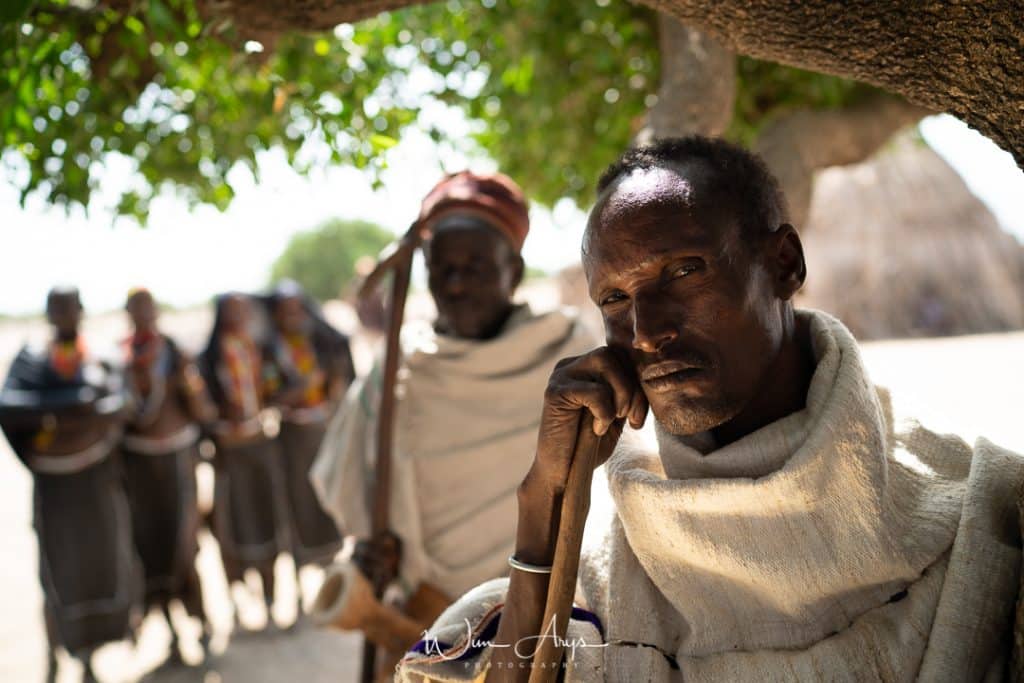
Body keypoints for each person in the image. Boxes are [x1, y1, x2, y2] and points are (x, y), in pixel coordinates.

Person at [397, 137, 1024, 682]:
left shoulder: (984, 519)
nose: (644, 331)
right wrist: (544, 503)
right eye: (613, 298)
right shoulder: (611, 565)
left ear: (784, 264)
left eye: (684, 271)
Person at [310, 171, 597, 660]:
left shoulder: (569, 353)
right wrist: (364, 550)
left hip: (548, 623)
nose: (457, 284)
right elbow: (344, 481)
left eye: (477, 266)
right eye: (442, 269)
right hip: (424, 619)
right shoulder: (396, 369)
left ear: (515, 267)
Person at [0, 287, 140, 682]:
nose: (64, 315)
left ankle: (91, 655)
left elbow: (122, 404)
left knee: (103, 565)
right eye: (56, 308)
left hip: (96, 482)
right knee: (58, 573)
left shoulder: (99, 359)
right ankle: (60, 654)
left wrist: (78, 412)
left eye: (70, 308)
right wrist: (73, 406)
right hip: (55, 489)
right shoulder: (31, 362)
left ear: (81, 311)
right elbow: (10, 408)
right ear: (48, 313)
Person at [120, 288, 215, 661]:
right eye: (135, 309)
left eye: (148, 307)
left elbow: (200, 408)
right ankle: (172, 635)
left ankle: (201, 622)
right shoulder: (122, 358)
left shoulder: (173, 352)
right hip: (140, 469)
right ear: (128, 314)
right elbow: (124, 417)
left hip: (178, 462)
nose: (143, 314)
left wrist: (183, 382)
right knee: (149, 552)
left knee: (184, 546)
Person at [262, 280, 355, 613]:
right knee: (297, 505)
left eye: (297, 309)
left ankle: (334, 586)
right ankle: (302, 593)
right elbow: (271, 395)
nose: (293, 316)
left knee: (327, 504)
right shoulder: (271, 351)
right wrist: (303, 388)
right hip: (292, 440)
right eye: (285, 311)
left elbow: (340, 387)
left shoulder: (323, 344)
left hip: (324, 433)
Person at [199, 292, 289, 630]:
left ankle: (269, 605)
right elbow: (203, 409)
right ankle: (237, 608)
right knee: (230, 528)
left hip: (259, 448)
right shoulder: (208, 359)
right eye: (233, 312)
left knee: (267, 522)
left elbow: (271, 387)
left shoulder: (257, 348)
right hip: (229, 455)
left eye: (243, 311)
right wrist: (222, 422)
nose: (239, 317)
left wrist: (266, 411)